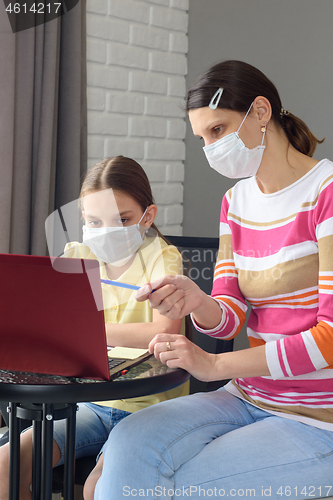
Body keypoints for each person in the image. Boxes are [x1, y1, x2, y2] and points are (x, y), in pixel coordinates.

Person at [93, 61, 333, 500]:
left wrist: (215, 365)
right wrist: (195, 301)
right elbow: (228, 317)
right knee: (127, 446)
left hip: (318, 418)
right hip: (249, 397)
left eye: (218, 130)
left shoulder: (326, 192)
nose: (210, 147)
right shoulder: (235, 202)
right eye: (202, 137)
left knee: (164, 487)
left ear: (261, 111)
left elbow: (329, 340)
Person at [0, 156, 189, 500]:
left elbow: (163, 331)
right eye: (94, 221)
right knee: (5, 465)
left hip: (151, 407)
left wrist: (84, 326)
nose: (106, 231)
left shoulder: (162, 257)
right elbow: (49, 322)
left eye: (122, 220)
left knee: (98, 488)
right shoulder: (77, 254)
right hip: (92, 405)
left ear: (148, 216)